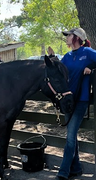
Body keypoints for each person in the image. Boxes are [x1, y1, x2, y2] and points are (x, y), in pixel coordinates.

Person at [48, 28, 96, 180]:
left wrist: (92, 67)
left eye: (68, 35)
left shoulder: (87, 52)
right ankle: (76, 168)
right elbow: (59, 72)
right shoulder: (67, 56)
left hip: (81, 100)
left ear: (77, 38)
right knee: (72, 136)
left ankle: (63, 173)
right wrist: (52, 58)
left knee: (70, 137)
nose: (67, 38)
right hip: (68, 100)